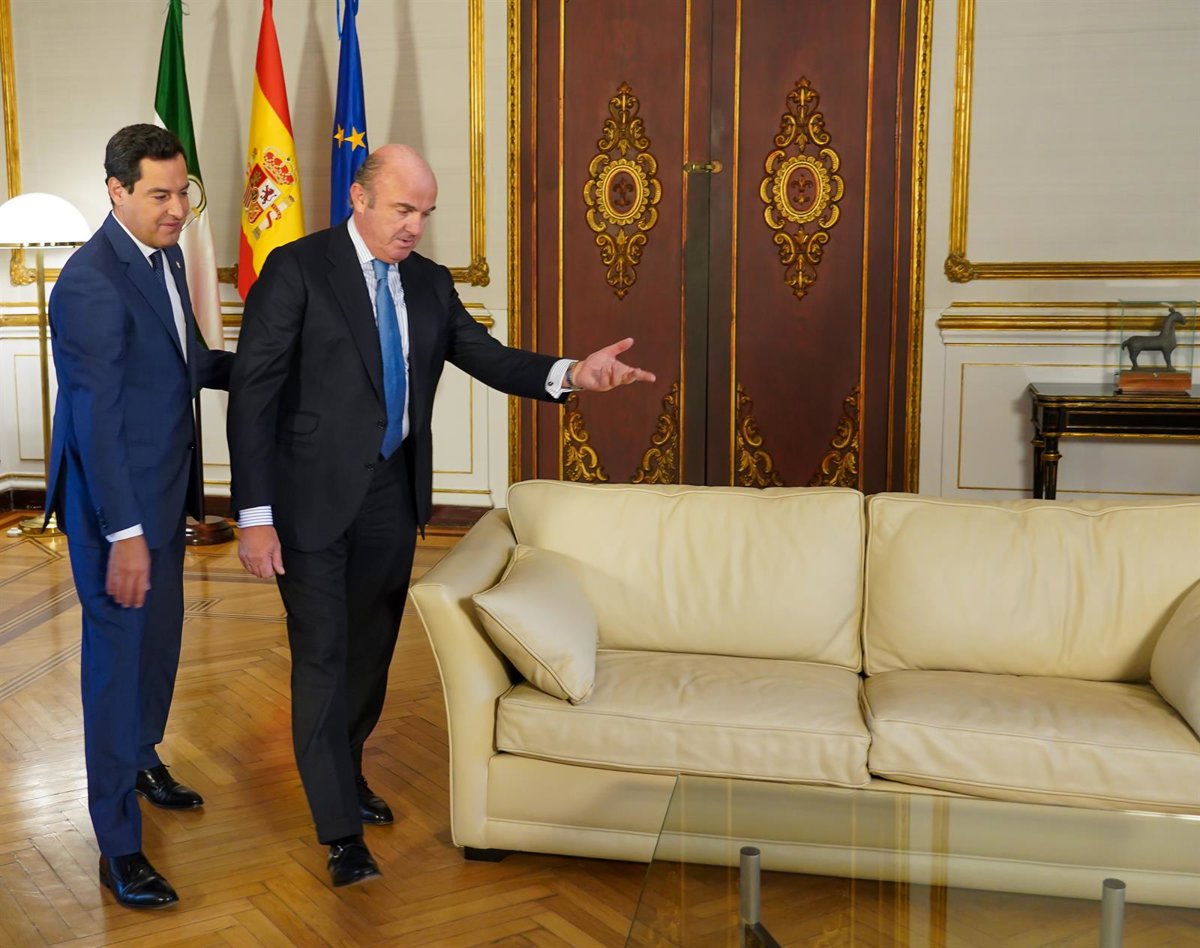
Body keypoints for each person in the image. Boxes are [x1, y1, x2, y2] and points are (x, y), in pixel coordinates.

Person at [228, 144, 654, 888]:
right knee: (323, 655)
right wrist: (253, 515)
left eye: (425, 213)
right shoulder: (296, 271)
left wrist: (572, 374)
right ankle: (340, 832)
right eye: (403, 210)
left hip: (392, 495)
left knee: (370, 653)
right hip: (307, 503)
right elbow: (253, 396)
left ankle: (345, 770)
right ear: (359, 199)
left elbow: (487, 356)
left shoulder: (428, 282)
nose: (415, 227)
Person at [46, 124, 234, 909]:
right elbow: (96, 424)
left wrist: (269, 367)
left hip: (163, 497)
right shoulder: (89, 283)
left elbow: (186, 364)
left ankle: (143, 757)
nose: (177, 208)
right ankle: (119, 847)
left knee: (158, 646)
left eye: (183, 192)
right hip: (114, 513)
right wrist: (125, 536)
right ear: (116, 191)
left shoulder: (165, 258)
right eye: (159, 194)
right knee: (116, 669)